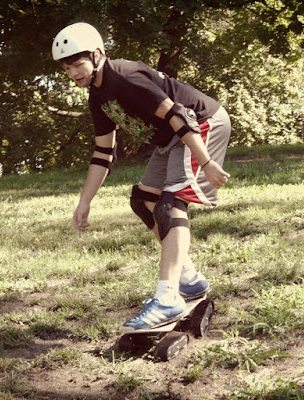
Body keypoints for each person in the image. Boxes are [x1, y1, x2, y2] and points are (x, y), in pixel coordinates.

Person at [52, 22, 231, 332]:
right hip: (171, 139)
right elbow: (103, 154)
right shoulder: (98, 96)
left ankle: (167, 297)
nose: (73, 74)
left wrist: (206, 162)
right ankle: (187, 280)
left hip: (200, 125)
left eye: (77, 64)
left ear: (97, 55)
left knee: (171, 206)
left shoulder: (125, 78)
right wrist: (84, 201)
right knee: (143, 200)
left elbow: (178, 115)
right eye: (67, 68)